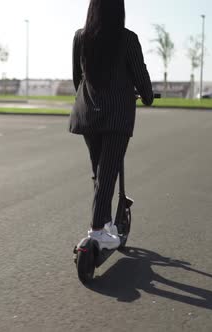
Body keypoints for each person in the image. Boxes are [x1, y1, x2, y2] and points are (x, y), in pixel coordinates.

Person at [69, 0, 153, 250]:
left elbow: (77, 77)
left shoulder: (80, 37)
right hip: (117, 115)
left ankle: (104, 222)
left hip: (88, 112)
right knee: (107, 172)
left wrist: (89, 100)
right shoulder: (127, 39)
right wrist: (147, 96)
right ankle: (96, 230)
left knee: (100, 172)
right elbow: (140, 74)